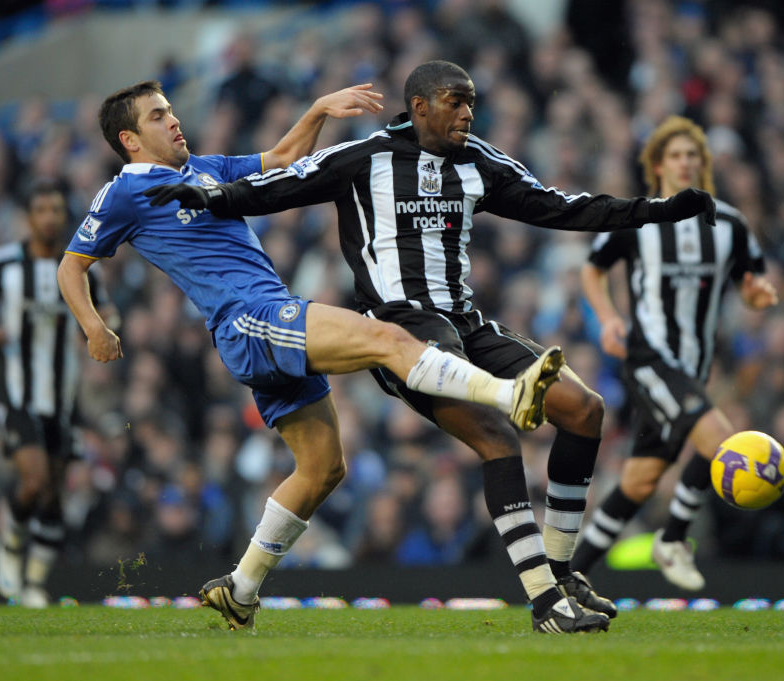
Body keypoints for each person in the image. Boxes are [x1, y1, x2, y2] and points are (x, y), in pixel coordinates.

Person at [144, 60, 716, 633]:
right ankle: (545, 602)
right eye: (455, 101)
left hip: (468, 325)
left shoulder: (480, 162)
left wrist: (655, 212)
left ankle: (562, 573)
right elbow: (274, 188)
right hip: (402, 335)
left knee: (586, 410)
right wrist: (205, 195)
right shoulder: (362, 158)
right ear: (419, 106)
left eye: (471, 101)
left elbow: (561, 207)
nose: (468, 111)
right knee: (496, 437)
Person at [58, 79, 564, 631]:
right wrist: (95, 327)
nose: (174, 120)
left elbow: (279, 159)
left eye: (172, 110)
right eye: (159, 116)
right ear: (130, 139)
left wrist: (319, 108)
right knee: (386, 338)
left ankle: (241, 588)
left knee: (324, 467)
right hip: (247, 319)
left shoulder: (203, 169)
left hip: (264, 324)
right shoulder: (124, 193)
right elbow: (72, 265)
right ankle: (509, 395)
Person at [568, 115, 778, 591]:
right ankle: (674, 540)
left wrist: (757, 296)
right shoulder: (638, 217)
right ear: (658, 165)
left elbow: (752, 282)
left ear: (704, 164)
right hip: (649, 359)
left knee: (640, 481)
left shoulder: (730, 223)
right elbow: (592, 270)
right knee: (720, 438)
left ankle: (568, 575)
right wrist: (607, 318)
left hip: (695, 367)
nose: (686, 163)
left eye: (694, 155)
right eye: (677, 155)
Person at [0, 179, 115, 607]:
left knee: (54, 494)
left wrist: (106, 330)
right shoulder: (2, 266)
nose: (50, 218)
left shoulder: (83, 268)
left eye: (57, 210)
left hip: (64, 396)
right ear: (28, 217)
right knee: (33, 481)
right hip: (17, 392)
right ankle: (10, 546)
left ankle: (34, 582)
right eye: (42, 210)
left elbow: (105, 310)